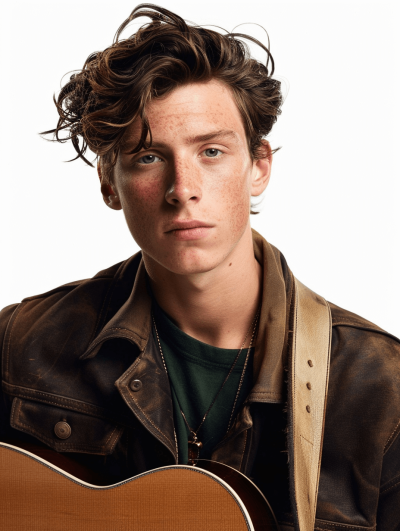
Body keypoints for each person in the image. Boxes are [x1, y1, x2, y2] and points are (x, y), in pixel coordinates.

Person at [1, 3, 399, 530]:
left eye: (210, 151)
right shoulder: (21, 345)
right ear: (108, 182)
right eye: (148, 156)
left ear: (258, 166)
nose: (181, 188)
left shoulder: (378, 391)